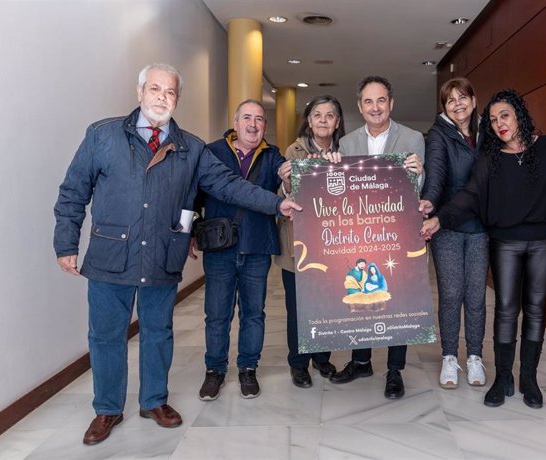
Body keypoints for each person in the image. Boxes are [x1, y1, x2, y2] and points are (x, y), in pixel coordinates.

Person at [53, 63, 301, 445]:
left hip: (161, 256)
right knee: (105, 336)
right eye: (155, 90)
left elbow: (229, 185)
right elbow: (73, 191)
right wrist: (66, 242)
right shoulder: (103, 135)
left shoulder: (192, 148)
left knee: (158, 333)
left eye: (169, 93)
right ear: (140, 92)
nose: (162, 98)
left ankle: (154, 401)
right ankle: (107, 409)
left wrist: (275, 204)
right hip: (110, 254)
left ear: (176, 99)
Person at [420, 89, 546, 409]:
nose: (498, 124)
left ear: (519, 113)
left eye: (504, 116)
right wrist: (439, 219)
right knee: (506, 308)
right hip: (505, 242)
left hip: (544, 241)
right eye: (492, 120)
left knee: (535, 307)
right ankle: (503, 377)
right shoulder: (490, 160)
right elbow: (468, 196)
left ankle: (529, 380)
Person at [331, 75, 425, 400]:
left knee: (396, 301)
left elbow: (418, 193)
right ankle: (361, 361)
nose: (375, 107)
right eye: (368, 101)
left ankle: (395, 370)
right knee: (362, 297)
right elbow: (340, 192)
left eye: (381, 100)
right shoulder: (347, 144)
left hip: (397, 237)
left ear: (391, 104)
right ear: (360, 106)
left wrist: (419, 174)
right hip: (360, 235)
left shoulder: (413, 139)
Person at [191, 99, 288, 401]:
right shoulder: (212, 152)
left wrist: (288, 179)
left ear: (265, 126)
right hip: (220, 247)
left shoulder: (273, 157)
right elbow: (193, 196)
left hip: (257, 245)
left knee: (253, 314)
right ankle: (214, 371)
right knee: (217, 314)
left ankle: (248, 369)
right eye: (247, 117)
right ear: (235, 123)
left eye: (259, 119)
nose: (253, 124)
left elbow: (288, 195)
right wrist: (192, 230)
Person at [420, 78, 489, 389]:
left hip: (481, 226)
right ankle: (449, 357)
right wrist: (430, 202)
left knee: (476, 295)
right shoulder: (438, 135)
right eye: (451, 100)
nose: (458, 104)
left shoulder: (486, 133)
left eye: (463, 97)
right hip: (446, 225)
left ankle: (475, 356)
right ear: (444, 107)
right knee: (451, 295)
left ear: (474, 101)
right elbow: (435, 174)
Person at [274, 94, 344, 388]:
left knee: (326, 305)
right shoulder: (294, 151)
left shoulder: (348, 150)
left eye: (330, 115)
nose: (323, 121)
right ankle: (299, 363)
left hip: (333, 247)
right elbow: (283, 198)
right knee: (299, 308)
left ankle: (322, 358)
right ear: (309, 121)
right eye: (317, 115)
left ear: (337, 122)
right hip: (299, 246)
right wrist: (286, 179)